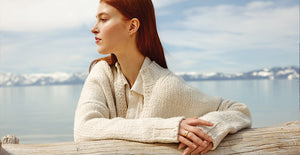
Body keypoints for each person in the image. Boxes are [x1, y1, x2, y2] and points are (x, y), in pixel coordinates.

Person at [74, 0, 251, 154]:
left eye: (103, 19)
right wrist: (168, 129)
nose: (93, 28)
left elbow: (239, 110)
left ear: (132, 26)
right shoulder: (102, 72)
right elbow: (83, 130)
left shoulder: (166, 86)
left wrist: (209, 132)